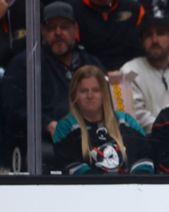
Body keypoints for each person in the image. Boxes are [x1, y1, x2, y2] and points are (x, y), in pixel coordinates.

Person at [2, 2, 104, 143]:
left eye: (64, 27)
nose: (58, 32)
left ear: (75, 30)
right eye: (51, 28)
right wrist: (45, 124)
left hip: (93, 140)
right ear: (43, 31)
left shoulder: (91, 63)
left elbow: (108, 104)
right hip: (43, 145)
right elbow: (11, 109)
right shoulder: (25, 64)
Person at [53, 65, 154, 174]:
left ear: (104, 94)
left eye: (96, 90)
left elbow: (144, 158)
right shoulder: (65, 127)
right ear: (74, 95)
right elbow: (67, 165)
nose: (90, 95)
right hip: (88, 189)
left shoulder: (125, 121)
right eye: (83, 91)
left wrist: (133, 184)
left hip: (129, 188)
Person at [121, 14, 169, 133]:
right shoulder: (128, 72)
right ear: (142, 41)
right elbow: (132, 116)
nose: (155, 40)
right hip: (148, 141)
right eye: (148, 35)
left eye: (161, 33)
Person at [68, 0, 145, 71]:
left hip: (129, 74)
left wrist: (127, 81)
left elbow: (141, 53)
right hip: (90, 74)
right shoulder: (73, 10)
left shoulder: (135, 9)